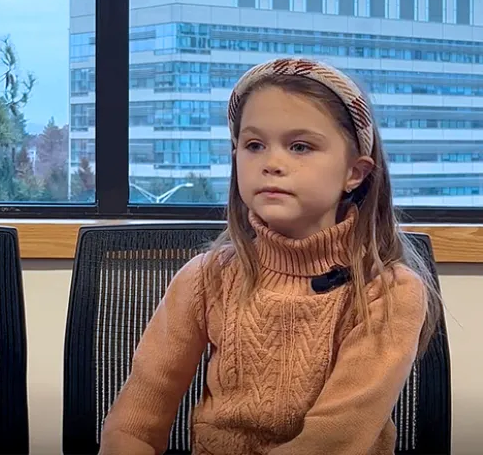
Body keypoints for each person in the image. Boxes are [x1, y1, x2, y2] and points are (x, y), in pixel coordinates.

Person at [99, 57, 443, 454]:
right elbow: (132, 426)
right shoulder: (204, 278)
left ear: (355, 172)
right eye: (254, 145)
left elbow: (331, 443)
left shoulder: (389, 292)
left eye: (300, 146)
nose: (272, 163)